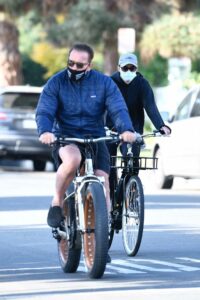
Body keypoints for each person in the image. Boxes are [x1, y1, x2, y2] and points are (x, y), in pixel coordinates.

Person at [36, 44, 137, 232]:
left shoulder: (104, 83)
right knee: (73, 160)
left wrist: (126, 130)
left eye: (79, 65)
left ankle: (102, 236)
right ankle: (57, 201)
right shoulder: (56, 82)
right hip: (67, 137)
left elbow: (118, 108)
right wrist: (45, 131)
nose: (74, 68)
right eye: (70, 63)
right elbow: (45, 110)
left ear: (89, 65)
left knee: (103, 180)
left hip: (96, 137)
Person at [106, 53, 171, 186]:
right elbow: (101, 105)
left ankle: (131, 189)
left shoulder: (142, 83)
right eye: (125, 68)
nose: (128, 71)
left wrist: (161, 125)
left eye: (132, 68)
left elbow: (150, 106)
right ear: (119, 68)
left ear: (136, 69)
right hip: (111, 127)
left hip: (134, 127)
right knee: (109, 164)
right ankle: (112, 196)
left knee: (132, 160)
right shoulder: (110, 82)